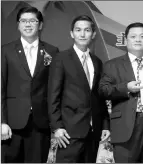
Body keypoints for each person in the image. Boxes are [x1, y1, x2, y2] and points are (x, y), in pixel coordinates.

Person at [98, 22, 143, 163]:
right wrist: (126, 88)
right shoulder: (112, 65)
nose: (138, 40)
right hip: (125, 127)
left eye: (142, 36)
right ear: (126, 40)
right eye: (133, 36)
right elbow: (103, 90)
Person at [47, 15, 110, 163]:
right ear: (71, 33)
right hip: (68, 132)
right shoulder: (61, 58)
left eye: (87, 30)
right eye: (78, 30)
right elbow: (52, 95)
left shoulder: (97, 62)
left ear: (93, 34)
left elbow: (99, 97)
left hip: (93, 131)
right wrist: (57, 127)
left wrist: (105, 125)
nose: (82, 34)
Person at [1, 6, 59, 163]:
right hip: (12, 124)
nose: (28, 25)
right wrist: (2, 121)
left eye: (32, 21)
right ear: (18, 25)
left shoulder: (52, 51)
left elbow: (55, 89)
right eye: (23, 21)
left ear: (40, 25)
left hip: (40, 123)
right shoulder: (5, 51)